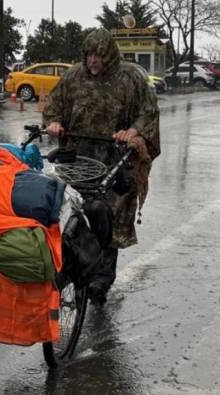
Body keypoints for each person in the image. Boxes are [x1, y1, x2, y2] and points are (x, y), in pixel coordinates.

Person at [43, 28, 161, 305]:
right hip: (79, 159)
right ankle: (73, 263)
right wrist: (55, 123)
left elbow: (149, 112)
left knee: (110, 216)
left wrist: (133, 131)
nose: (93, 61)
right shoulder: (73, 76)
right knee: (75, 210)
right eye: (89, 55)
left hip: (115, 161)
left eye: (99, 55)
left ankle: (102, 278)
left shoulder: (130, 78)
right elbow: (54, 106)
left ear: (109, 55)